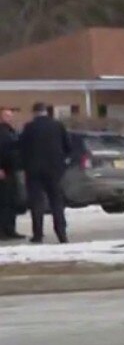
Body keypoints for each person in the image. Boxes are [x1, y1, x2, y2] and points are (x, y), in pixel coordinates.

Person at [19, 102, 72, 243]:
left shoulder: (29, 127)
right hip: (54, 170)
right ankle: (61, 233)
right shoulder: (57, 126)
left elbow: (22, 148)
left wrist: (24, 165)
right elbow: (68, 146)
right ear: (46, 112)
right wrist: (62, 162)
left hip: (34, 171)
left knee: (37, 202)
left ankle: (38, 234)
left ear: (34, 113)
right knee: (56, 202)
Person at [0, 107, 22, 240]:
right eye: (5, 115)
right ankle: (2, 231)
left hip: (12, 169)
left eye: (10, 115)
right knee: (3, 201)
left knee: (12, 201)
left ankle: (10, 229)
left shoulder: (11, 131)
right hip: (3, 171)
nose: (8, 118)